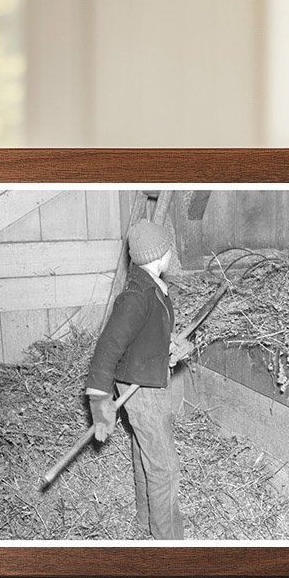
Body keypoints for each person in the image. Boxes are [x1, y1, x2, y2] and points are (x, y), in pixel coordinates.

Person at [85, 219, 194, 539]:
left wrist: (172, 344)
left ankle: (147, 524)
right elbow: (107, 348)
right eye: (169, 248)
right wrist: (98, 399)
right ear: (162, 254)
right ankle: (169, 542)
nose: (171, 253)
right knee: (165, 468)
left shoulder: (148, 286)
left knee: (146, 453)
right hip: (142, 391)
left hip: (144, 381)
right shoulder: (136, 296)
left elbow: (146, 334)